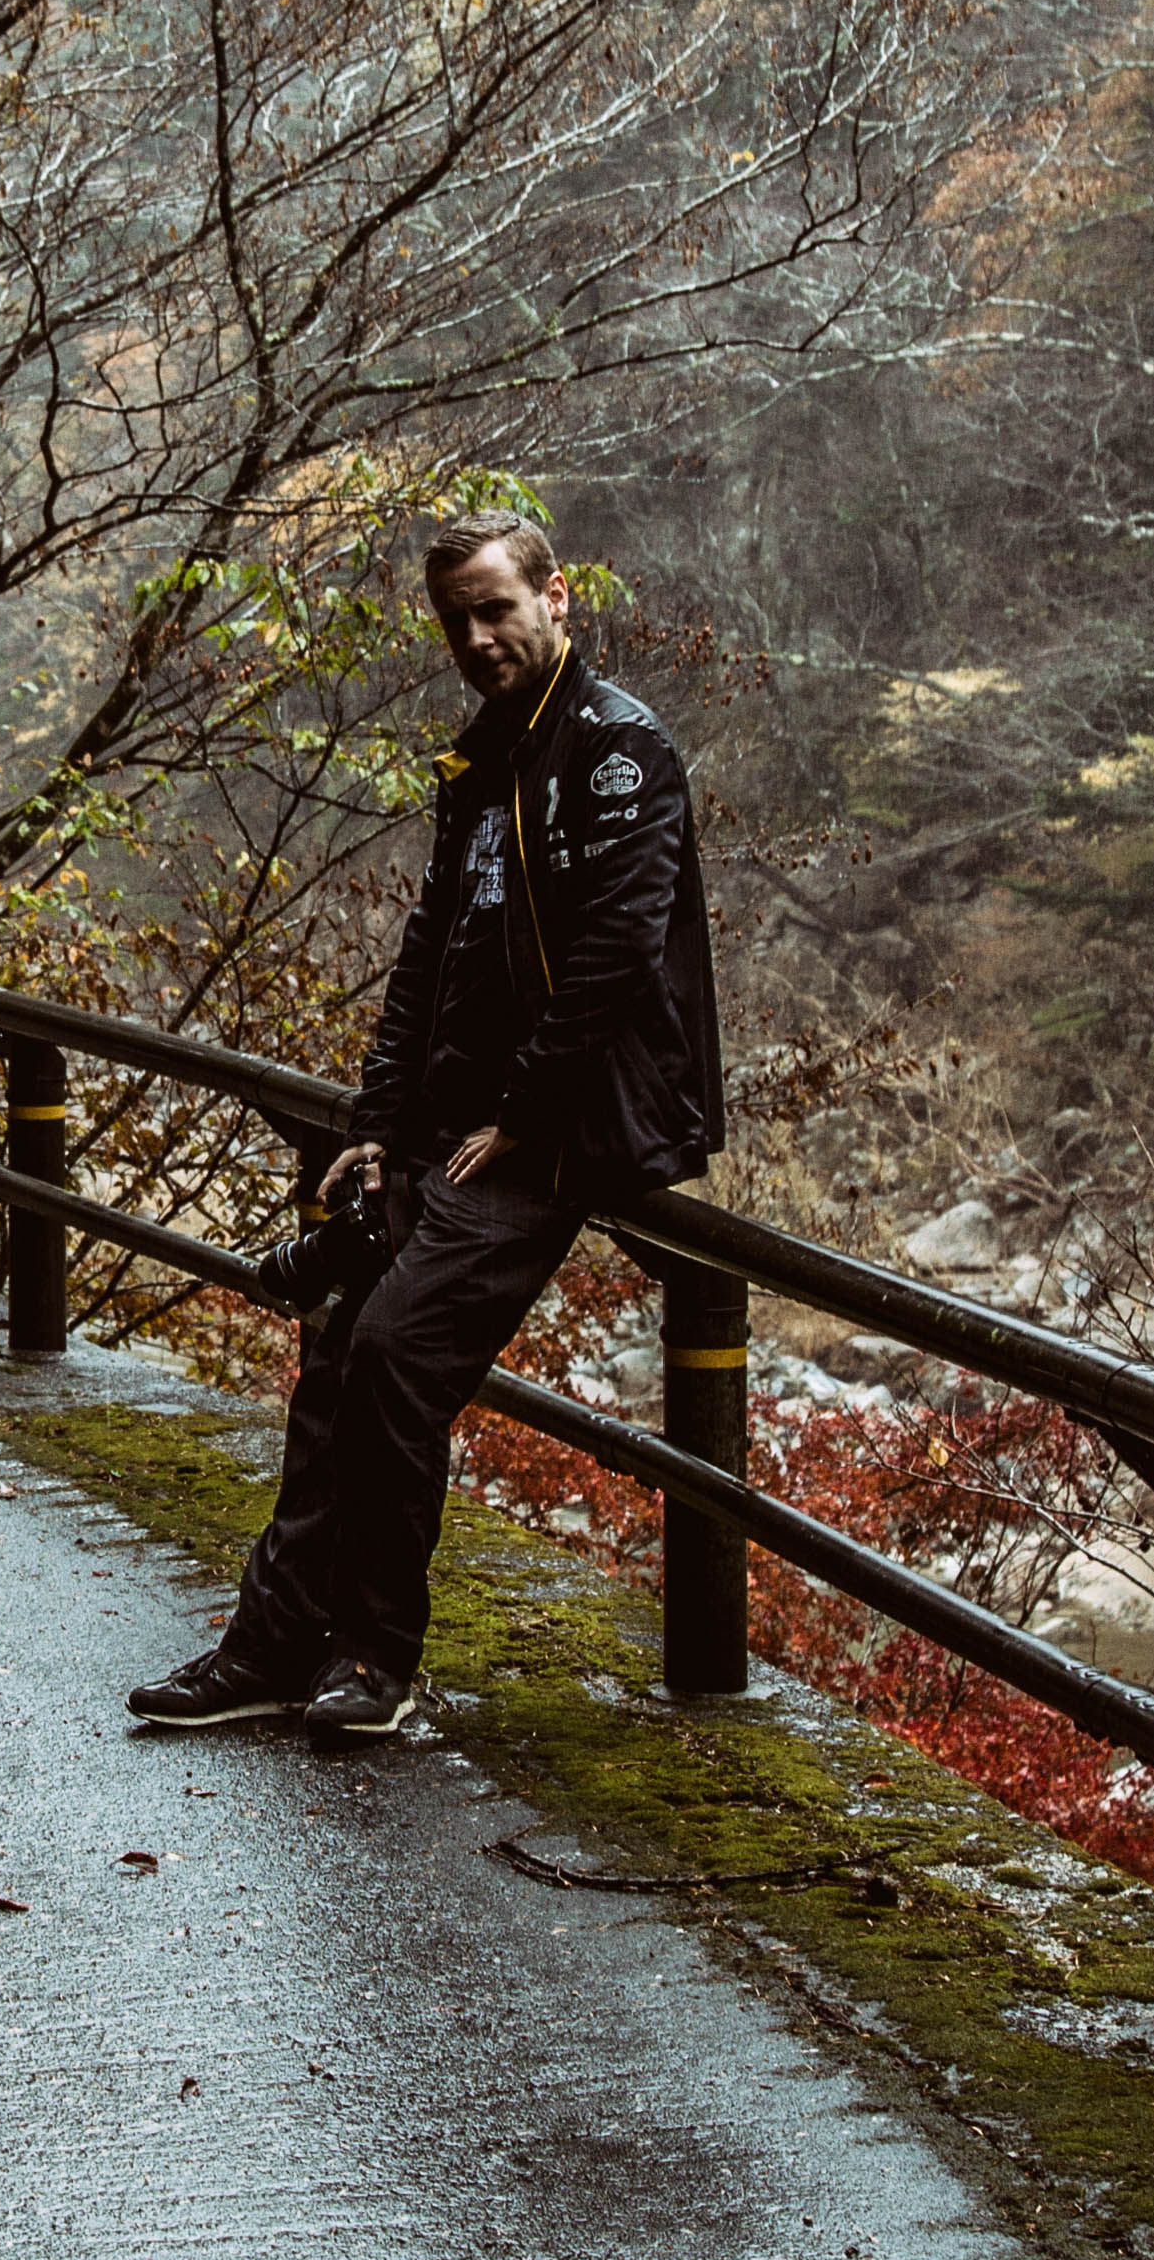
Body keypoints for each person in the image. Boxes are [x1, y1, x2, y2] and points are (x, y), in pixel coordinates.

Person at [130, 508, 725, 1738]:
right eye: (457, 617)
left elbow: (614, 956)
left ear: (557, 600)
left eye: (497, 607)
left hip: (556, 1133)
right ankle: (277, 1642)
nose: (476, 635)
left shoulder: (619, 754)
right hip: (455, 1127)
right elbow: (429, 957)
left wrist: (518, 1115)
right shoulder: (481, 761)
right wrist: (377, 1122)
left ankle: (374, 1659)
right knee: (340, 1341)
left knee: (394, 1353)